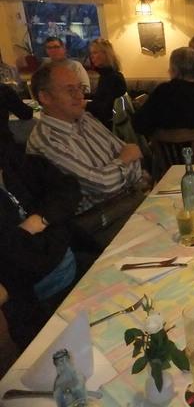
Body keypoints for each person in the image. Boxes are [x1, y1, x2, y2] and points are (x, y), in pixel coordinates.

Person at [26, 63, 146, 246]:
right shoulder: (47, 141)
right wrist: (123, 161)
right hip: (98, 224)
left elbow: (134, 155)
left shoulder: (85, 119)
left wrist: (120, 168)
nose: (79, 95)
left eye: (80, 88)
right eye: (70, 90)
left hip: (129, 203)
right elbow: (103, 184)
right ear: (45, 97)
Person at [0, 140, 98, 348]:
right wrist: (52, 224)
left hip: (77, 265)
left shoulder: (16, 163)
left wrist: (41, 219)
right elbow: (22, 259)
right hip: (38, 305)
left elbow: (69, 188)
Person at [86, 38, 127, 130]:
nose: (91, 57)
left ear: (106, 54)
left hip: (110, 127)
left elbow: (106, 109)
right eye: (91, 53)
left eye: (95, 53)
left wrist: (85, 104)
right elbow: (100, 98)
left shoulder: (113, 78)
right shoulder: (105, 75)